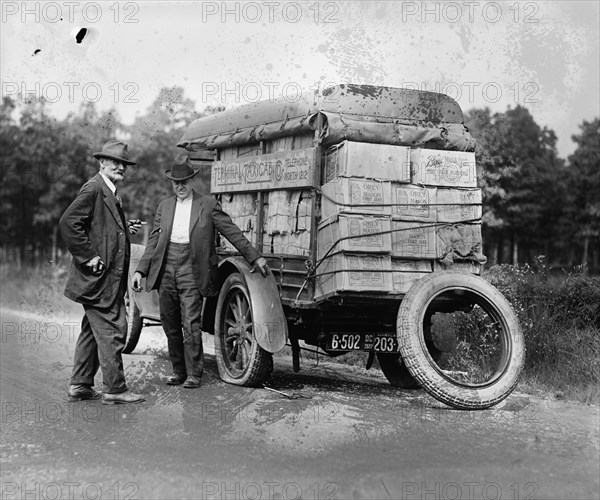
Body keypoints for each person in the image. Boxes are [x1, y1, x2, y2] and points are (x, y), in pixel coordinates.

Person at [131, 154, 269, 389]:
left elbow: (231, 231)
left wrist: (254, 256)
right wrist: (140, 271)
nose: (180, 186)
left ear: (192, 181)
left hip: (192, 269)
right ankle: (178, 370)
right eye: (176, 182)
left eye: (184, 181)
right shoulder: (164, 207)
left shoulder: (207, 205)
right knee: (169, 323)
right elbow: (153, 243)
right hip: (165, 268)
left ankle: (194, 373)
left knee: (191, 322)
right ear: (171, 183)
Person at [60, 139, 145, 405]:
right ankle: (115, 389)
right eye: (115, 162)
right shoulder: (94, 187)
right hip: (98, 280)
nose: (121, 167)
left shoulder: (109, 190)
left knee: (91, 331)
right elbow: (69, 222)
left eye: (124, 163)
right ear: (102, 163)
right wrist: (89, 257)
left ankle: (80, 385)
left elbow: (99, 226)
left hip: (104, 281)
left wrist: (123, 226)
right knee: (113, 330)